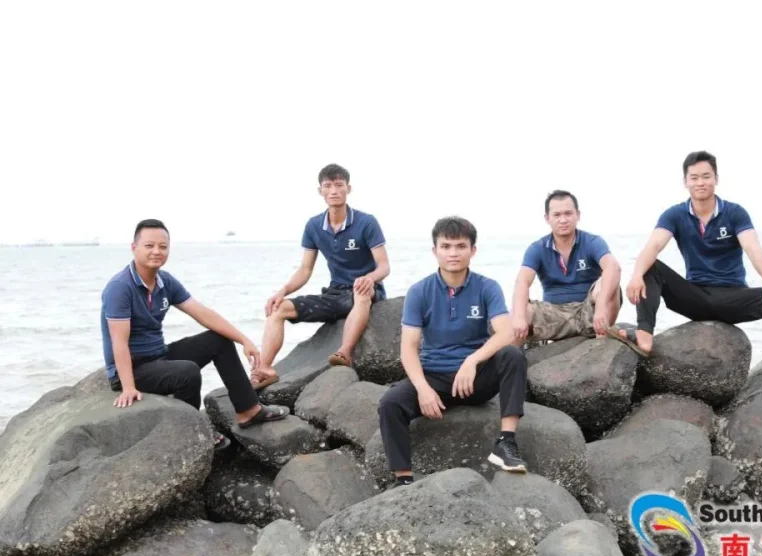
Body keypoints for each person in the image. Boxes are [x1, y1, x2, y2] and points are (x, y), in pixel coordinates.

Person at [615, 150, 762, 394]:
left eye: (706, 176)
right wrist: (636, 275)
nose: (700, 182)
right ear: (685, 182)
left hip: (731, 298)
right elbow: (653, 245)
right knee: (650, 266)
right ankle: (644, 335)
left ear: (716, 178)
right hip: (695, 297)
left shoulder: (734, 213)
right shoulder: (675, 214)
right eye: (694, 177)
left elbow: (753, 248)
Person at [101, 219, 289, 450]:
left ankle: (248, 410)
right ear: (134, 248)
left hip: (158, 357)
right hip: (133, 369)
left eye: (163, 246)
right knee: (187, 372)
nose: (157, 251)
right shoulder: (120, 287)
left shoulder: (164, 281)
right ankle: (191, 431)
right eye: (149, 246)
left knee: (218, 340)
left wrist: (244, 340)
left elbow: (203, 314)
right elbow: (118, 341)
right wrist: (129, 387)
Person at [377, 216, 528, 488]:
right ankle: (403, 479)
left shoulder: (487, 287)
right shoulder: (419, 291)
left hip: (475, 380)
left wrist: (472, 360)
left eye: (460, 246)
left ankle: (506, 443)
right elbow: (408, 348)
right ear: (435, 250)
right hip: (435, 378)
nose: (453, 253)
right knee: (390, 403)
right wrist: (423, 389)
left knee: (513, 355)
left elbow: (506, 332)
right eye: (446, 246)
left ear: (473, 250)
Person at [251, 163, 390, 389]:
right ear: (320, 191)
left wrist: (370, 278)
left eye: (339, 185)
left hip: (366, 290)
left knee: (361, 292)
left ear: (348, 188)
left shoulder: (366, 222)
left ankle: (344, 352)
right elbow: (305, 270)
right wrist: (282, 291)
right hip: (336, 293)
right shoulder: (314, 225)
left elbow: (383, 266)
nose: (334, 191)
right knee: (278, 308)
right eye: (328, 186)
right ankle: (265, 369)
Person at [510, 190, 628, 349]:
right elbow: (522, 282)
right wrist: (519, 317)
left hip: (590, 314)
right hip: (554, 316)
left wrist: (600, 309)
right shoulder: (537, 248)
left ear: (578, 215)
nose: (563, 220)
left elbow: (613, 267)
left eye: (568, 213)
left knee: (609, 280)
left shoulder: (592, 242)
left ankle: (601, 344)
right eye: (557, 215)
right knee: (517, 312)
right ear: (547, 218)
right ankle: (515, 357)